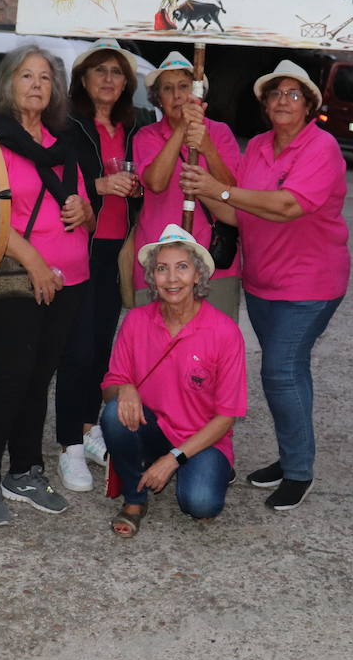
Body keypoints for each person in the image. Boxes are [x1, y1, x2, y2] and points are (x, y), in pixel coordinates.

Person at [180, 60, 349, 511]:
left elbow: (288, 205)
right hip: (264, 281)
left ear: (310, 104)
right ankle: (292, 456)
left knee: (280, 371)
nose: (282, 101)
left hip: (311, 283)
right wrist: (207, 191)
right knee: (288, 373)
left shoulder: (322, 147)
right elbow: (241, 214)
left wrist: (222, 189)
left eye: (293, 94)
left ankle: (298, 473)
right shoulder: (256, 146)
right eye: (275, 94)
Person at [0, 45, 96, 526]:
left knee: (39, 377)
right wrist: (34, 260)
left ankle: (25, 470)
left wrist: (87, 211)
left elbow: (82, 207)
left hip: (71, 277)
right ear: (6, 84)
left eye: (45, 77)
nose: (37, 84)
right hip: (12, 274)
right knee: (11, 375)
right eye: (26, 76)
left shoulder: (66, 139)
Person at [99, 224, 248, 536]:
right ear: (152, 277)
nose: (171, 278)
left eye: (182, 267)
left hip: (201, 437)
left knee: (201, 505)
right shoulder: (137, 321)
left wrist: (173, 459)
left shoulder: (224, 332)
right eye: (161, 269)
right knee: (113, 413)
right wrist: (124, 387)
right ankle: (134, 499)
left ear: (197, 275)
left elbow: (227, 416)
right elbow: (110, 386)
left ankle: (202, 468)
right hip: (152, 428)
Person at [55, 38, 145, 492]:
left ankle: (90, 430)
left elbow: (146, 185)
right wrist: (100, 183)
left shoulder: (133, 126)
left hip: (116, 251)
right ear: (83, 79)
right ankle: (68, 445)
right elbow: (53, 181)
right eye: (100, 71)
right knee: (78, 352)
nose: (109, 79)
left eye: (117, 72)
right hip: (79, 249)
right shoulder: (68, 125)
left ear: (127, 83)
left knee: (102, 351)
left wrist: (134, 190)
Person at [132, 52, 242, 318]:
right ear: (158, 98)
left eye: (183, 87)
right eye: (167, 89)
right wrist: (181, 129)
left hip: (212, 260)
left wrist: (208, 148)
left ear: (197, 93)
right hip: (158, 259)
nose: (177, 95)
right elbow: (156, 182)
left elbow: (233, 190)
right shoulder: (146, 136)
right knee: (155, 346)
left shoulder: (220, 132)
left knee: (213, 347)